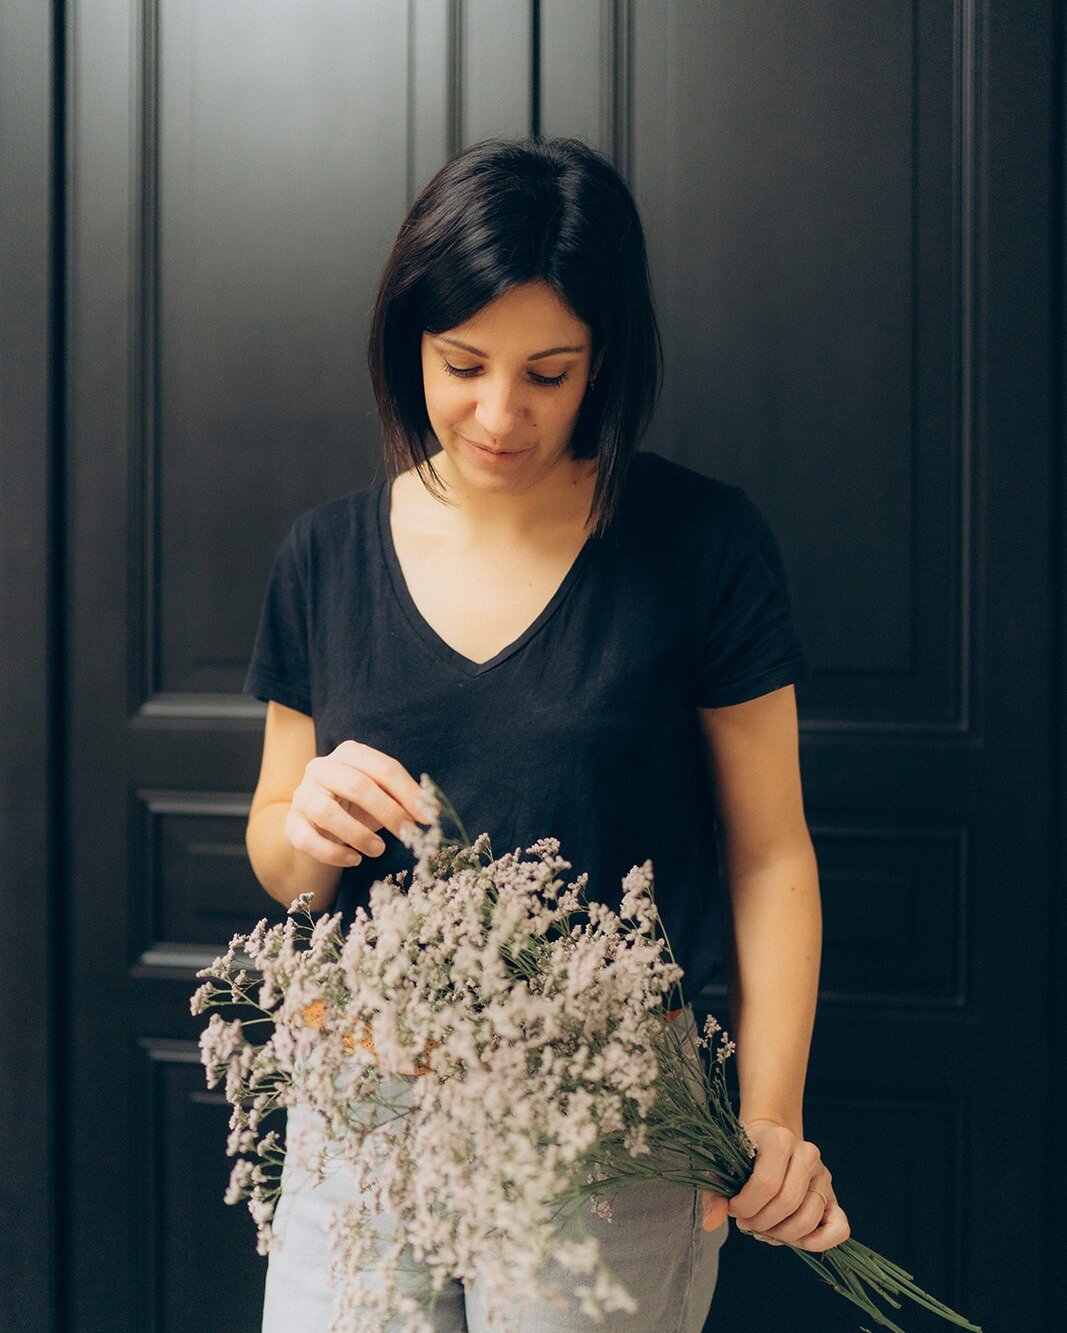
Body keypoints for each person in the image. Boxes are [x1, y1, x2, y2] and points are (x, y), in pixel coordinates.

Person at [243, 135, 850, 1332]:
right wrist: (303, 822)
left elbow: (770, 853)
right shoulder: (324, 554)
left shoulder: (700, 545)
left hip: (613, 1112)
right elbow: (278, 856)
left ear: (604, 363)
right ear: (407, 341)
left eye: (549, 372)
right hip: (359, 1113)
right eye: (461, 363)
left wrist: (768, 1116)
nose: (499, 413)